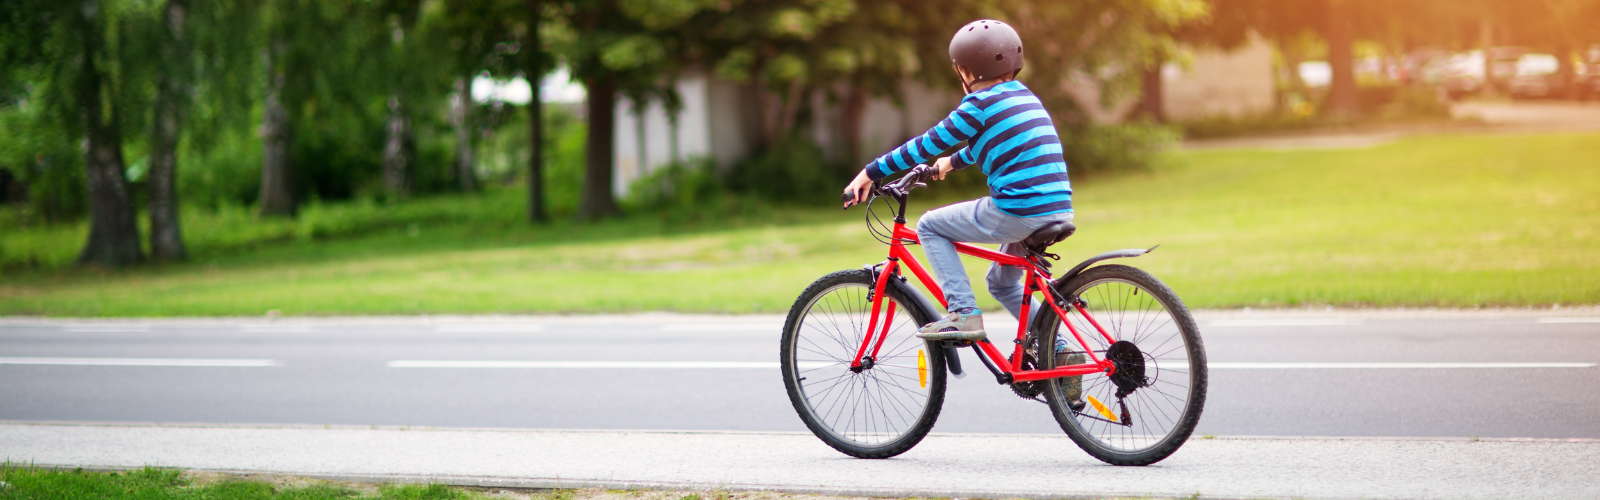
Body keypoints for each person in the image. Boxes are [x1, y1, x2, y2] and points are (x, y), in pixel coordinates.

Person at [842, 19, 1074, 342]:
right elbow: (991, 143)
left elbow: (925, 145)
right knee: (1002, 283)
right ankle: (1057, 349)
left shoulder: (978, 105)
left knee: (929, 226)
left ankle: (964, 315)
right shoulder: (1022, 98)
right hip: (1057, 206)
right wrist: (950, 163)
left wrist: (870, 172)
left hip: (1018, 210)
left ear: (966, 71)